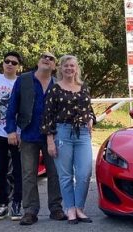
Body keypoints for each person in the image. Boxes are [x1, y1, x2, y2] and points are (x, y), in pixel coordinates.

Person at [4, 51, 66, 226]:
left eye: (51, 58)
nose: (46, 59)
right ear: (38, 61)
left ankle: (56, 208)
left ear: (54, 66)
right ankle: (30, 211)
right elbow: (12, 107)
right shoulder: (23, 80)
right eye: (43, 57)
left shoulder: (58, 84)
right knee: (28, 174)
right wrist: (11, 130)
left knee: (55, 173)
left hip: (52, 136)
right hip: (29, 134)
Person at [42, 55, 96, 225]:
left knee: (84, 173)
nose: (69, 68)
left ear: (76, 68)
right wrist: (50, 141)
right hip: (62, 132)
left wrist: (91, 119)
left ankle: (80, 207)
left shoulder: (83, 87)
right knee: (65, 176)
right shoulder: (55, 89)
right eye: (66, 66)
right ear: (61, 68)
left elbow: (89, 109)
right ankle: (70, 209)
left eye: (72, 65)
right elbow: (47, 116)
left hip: (83, 134)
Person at [0, 52, 23, 220]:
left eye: (14, 62)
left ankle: (17, 202)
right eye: (7, 61)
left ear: (18, 66)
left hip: (17, 133)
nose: (10, 64)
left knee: (18, 170)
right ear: (3, 63)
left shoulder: (21, 81)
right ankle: (2, 203)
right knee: (0, 169)